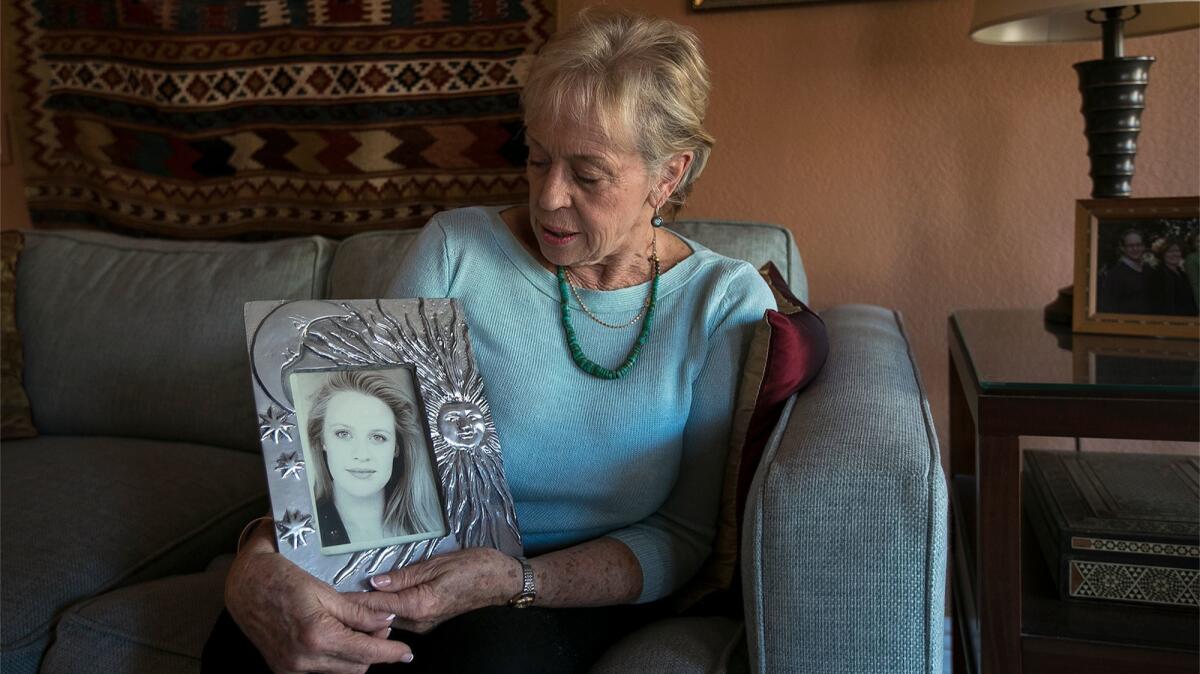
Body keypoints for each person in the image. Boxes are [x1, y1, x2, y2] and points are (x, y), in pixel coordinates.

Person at [207, 9, 776, 673]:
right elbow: (344, 458)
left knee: (487, 659)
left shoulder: (722, 300)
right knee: (250, 646)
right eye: (537, 160)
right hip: (412, 558)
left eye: (587, 175)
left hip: (566, 589)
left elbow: (682, 536)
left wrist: (516, 581)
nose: (550, 197)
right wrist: (257, 560)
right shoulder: (456, 248)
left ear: (667, 175)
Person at [303, 370, 444, 549]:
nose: (361, 455)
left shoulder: (432, 529)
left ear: (396, 447)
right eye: (343, 434)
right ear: (322, 440)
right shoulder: (304, 533)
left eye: (378, 437)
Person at [1097, 228, 1152, 314]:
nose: (1135, 249)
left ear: (1143, 246)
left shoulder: (1147, 270)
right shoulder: (1115, 275)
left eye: (1138, 245)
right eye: (1130, 246)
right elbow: (1109, 308)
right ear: (1123, 248)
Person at [1150, 239, 1199, 316]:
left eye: (1177, 251)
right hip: (1171, 322)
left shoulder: (1183, 275)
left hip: (1189, 322)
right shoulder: (1158, 275)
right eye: (1170, 251)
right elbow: (1157, 304)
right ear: (1163, 254)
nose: (1174, 254)